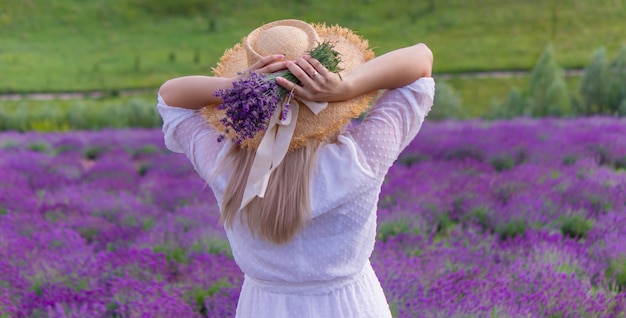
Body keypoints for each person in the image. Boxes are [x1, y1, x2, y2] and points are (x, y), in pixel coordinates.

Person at [157, 19, 434, 318]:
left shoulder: (226, 167)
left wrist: (243, 87)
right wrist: (345, 85)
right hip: (354, 306)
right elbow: (421, 59)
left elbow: (171, 96)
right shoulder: (360, 159)